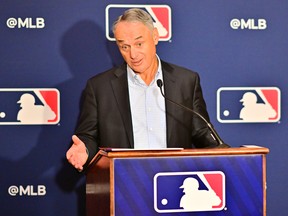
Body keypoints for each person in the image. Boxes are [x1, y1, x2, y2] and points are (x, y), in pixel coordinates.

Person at [66, 8, 227, 171]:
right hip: (124, 182)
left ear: (155, 36)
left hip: (173, 179)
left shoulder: (186, 81)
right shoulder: (100, 87)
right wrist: (84, 150)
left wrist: (230, 155)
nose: (133, 54)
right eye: (124, 47)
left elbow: (202, 133)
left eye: (139, 43)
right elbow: (88, 135)